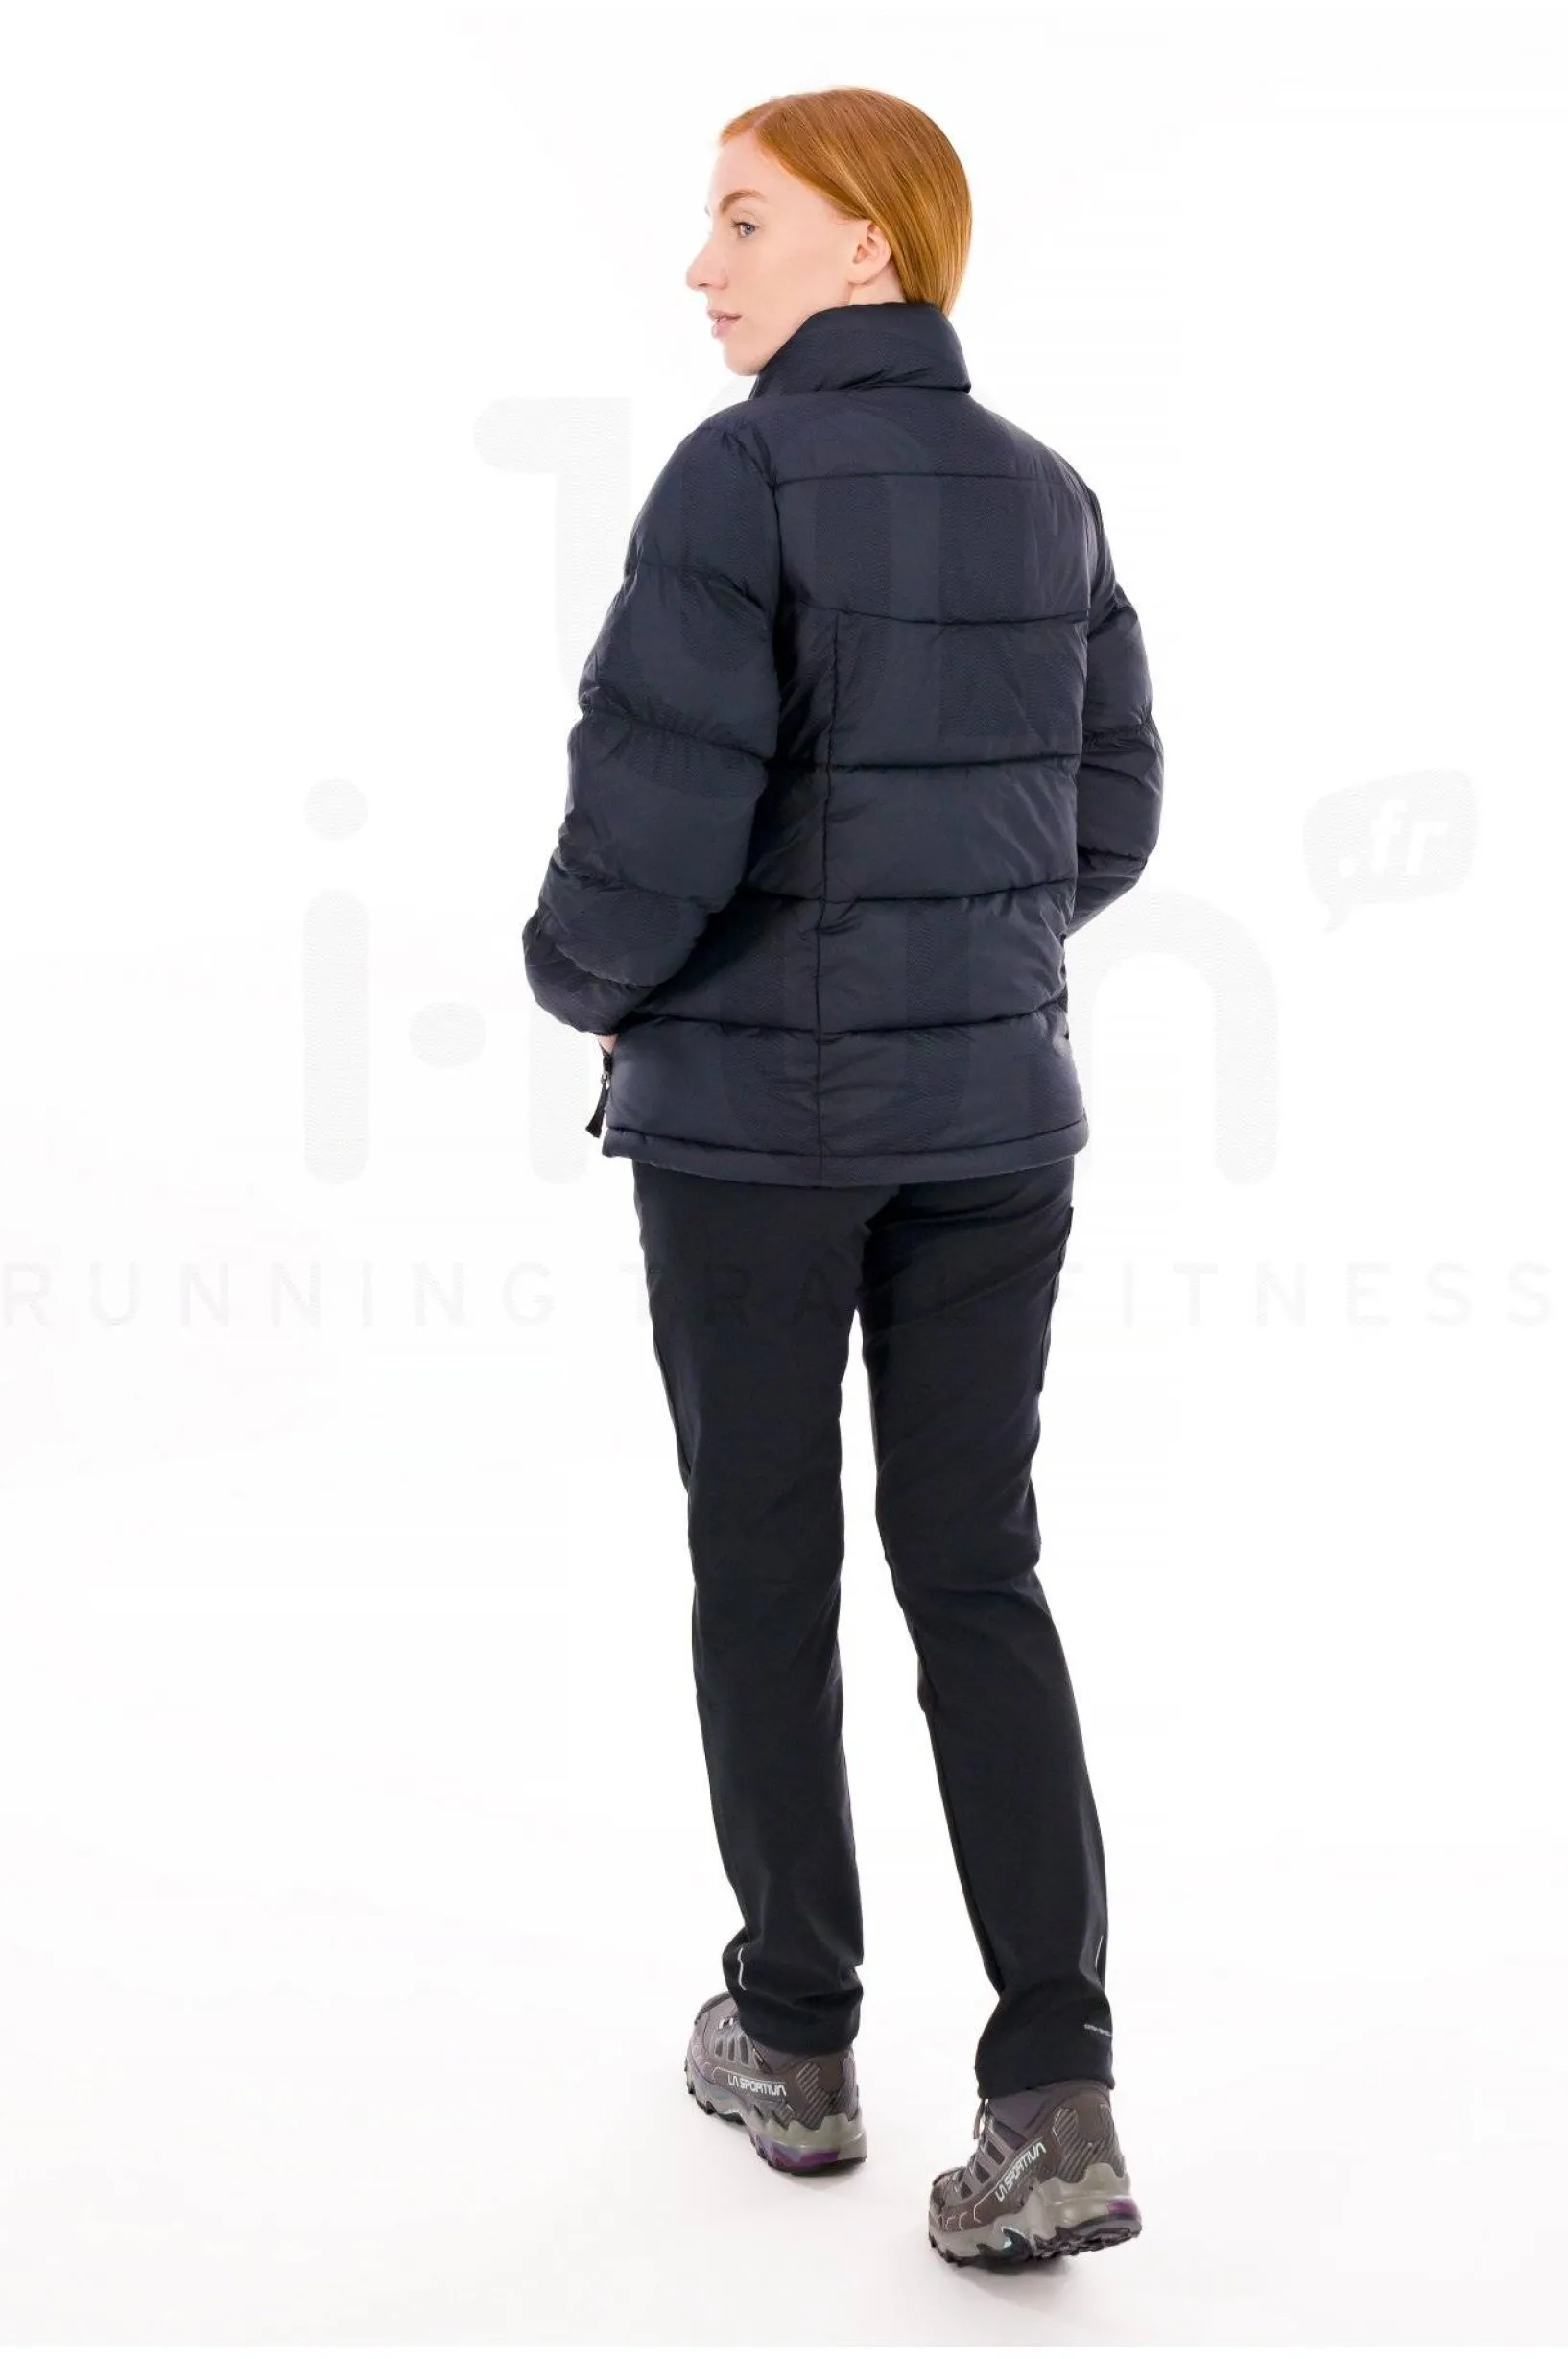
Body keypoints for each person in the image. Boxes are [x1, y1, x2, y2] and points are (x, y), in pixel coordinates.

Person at [521, 85, 1161, 2270]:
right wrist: (958, 969)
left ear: (868, 246)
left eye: (742, 221)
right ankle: (1054, 2091)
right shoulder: (1046, 491)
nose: (701, 267)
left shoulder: (744, 472)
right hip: (993, 1126)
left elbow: (654, 823)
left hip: (749, 1142)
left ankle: (793, 2033)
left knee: (767, 1559)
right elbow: (1110, 810)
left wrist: (581, 985)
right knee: (978, 1570)